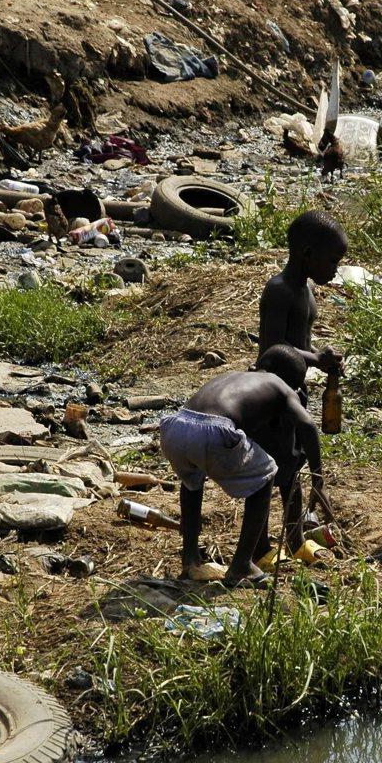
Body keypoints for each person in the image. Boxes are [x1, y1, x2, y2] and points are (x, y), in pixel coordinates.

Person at [158, 345, 330, 586]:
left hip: (175, 426)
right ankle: (241, 566)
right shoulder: (279, 384)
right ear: (289, 380)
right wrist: (318, 480)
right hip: (213, 429)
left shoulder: (234, 377)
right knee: (266, 475)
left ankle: (190, 559)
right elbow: (308, 426)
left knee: (192, 483)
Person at [258, 210, 347, 379]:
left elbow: (298, 342)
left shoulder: (307, 288)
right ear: (307, 254)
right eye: (333, 261)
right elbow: (273, 345)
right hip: (270, 381)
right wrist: (316, 359)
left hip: (294, 381)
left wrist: (324, 359)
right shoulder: (280, 290)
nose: (336, 269)